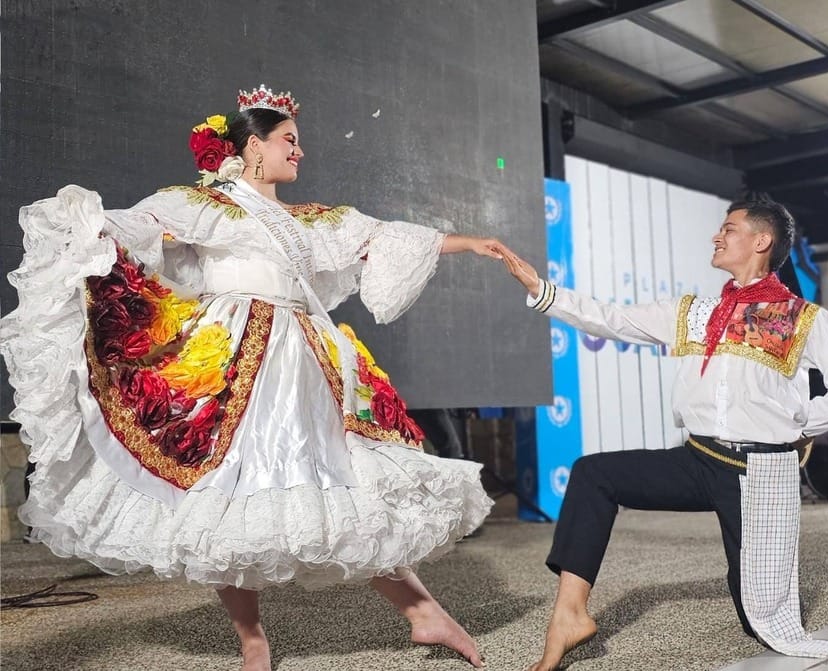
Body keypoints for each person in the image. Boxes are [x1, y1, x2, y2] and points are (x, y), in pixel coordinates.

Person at [0, 84, 511, 670]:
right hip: (236, 357)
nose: (299, 152)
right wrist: (80, 225)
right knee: (230, 492)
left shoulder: (308, 221)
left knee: (344, 480)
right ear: (251, 148)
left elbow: (379, 237)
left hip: (307, 359)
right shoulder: (204, 205)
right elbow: (133, 228)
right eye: (288, 141)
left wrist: (472, 242)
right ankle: (253, 640)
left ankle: (423, 613)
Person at [500, 195, 828, 670]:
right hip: (698, 458)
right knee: (594, 474)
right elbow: (614, 318)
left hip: (758, 472)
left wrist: (796, 423)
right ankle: (570, 613)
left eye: (730, 228)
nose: (717, 236)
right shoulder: (696, 313)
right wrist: (542, 288)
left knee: (760, 619)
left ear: (761, 241)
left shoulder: (801, 318)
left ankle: (757, 601)